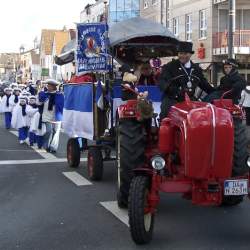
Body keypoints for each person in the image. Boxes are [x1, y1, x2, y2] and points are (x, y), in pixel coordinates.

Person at [159, 41, 214, 119]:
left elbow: (204, 84)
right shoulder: (170, 66)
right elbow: (162, 81)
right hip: (172, 98)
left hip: (190, 100)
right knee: (165, 113)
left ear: (190, 54)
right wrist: (172, 90)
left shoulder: (196, 69)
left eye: (185, 53)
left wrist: (217, 92)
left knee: (202, 115)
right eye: (180, 53)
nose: (182, 56)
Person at [38, 79, 64, 153]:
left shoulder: (60, 95)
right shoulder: (44, 94)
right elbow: (39, 102)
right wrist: (40, 92)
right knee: (49, 131)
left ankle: (53, 147)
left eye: (49, 86)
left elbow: (62, 105)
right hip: (47, 115)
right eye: (48, 85)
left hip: (57, 116)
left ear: (54, 87)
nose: (48, 87)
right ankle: (46, 145)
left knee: (56, 132)